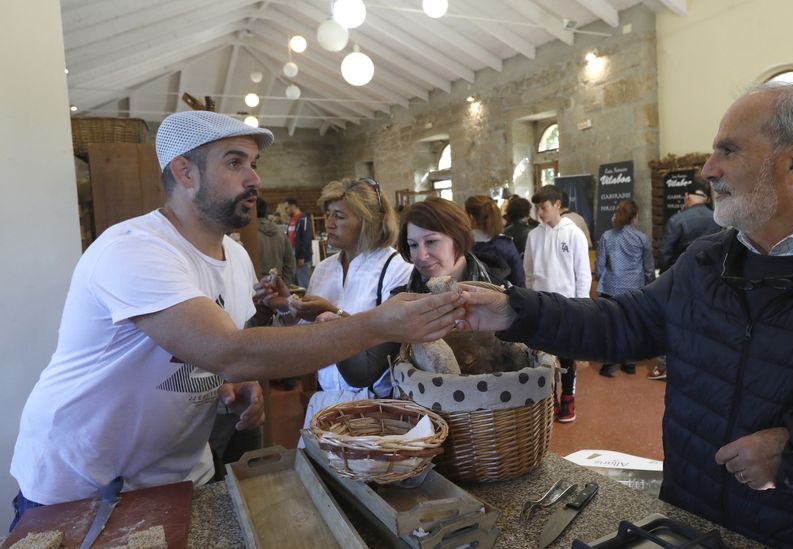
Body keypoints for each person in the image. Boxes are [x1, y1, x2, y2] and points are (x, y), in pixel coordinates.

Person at [458, 83, 793, 548]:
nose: (708, 169)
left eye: (727, 150)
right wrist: (512, 310)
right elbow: (624, 323)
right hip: (694, 521)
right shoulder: (708, 260)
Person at [9, 111, 462, 528]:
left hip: (179, 474)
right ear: (185, 172)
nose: (254, 178)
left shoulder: (236, 255)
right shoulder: (134, 248)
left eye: (254, 163)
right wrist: (377, 324)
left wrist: (227, 384)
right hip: (86, 483)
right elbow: (227, 351)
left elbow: (224, 347)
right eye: (234, 163)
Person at [271, 178, 413, 426]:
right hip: (327, 396)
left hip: (376, 403)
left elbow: (385, 335)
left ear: (368, 221)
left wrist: (332, 312)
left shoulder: (396, 268)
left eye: (339, 216)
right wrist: (290, 308)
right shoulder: (325, 269)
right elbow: (310, 335)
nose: (328, 224)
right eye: (327, 214)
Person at [526, 185, 591, 423]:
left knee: (566, 355)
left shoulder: (574, 234)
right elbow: (529, 274)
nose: (539, 213)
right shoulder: (534, 236)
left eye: (543, 207)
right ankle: (550, 396)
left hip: (567, 305)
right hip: (541, 305)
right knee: (544, 355)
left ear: (556, 205)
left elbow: (583, 274)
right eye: (537, 209)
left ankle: (568, 396)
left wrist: (582, 307)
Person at [395, 197, 510, 293]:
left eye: (431, 242)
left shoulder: (505, 296)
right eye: (413, 245)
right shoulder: (398, 306)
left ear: (459, 237)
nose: (421, 256)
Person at [595, 199, 655, 377]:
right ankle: (629, 363)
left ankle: (609, 362)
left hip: (610, 288)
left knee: (611, 326)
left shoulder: (607, 236)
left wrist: (601, 279)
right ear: (635, 217)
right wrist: (649, 283)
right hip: (634, 289)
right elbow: (648, 267)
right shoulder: (642, 238)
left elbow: (600, 266)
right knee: (632, 325)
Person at [660, 177, 722, 272]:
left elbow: (666, 254)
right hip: (712, 273)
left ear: (686, 196)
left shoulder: (676, 220)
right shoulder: (717, 217)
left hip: (684, 274)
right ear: (705, 199)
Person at [465, 195, 525, 287]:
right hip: (503, 297)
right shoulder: (506, 244)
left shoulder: (462, 245)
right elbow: (519, 280)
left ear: (471, 217)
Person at [256, 197, 295, 282]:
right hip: (277, 282)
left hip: (256, 285)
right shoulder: (280, 232)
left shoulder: (249, 234)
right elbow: (290, 261)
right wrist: (285, 284)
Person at [285, 196, 313, 288]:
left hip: (301, 258)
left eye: (287, 208)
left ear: (293, 206)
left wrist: (302, 256)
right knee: (295, 284)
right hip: (293, 256)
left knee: (303, 283)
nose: (286, 211)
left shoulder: (303, 219)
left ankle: (308, 300)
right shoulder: (291, 220)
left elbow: (306, 238)